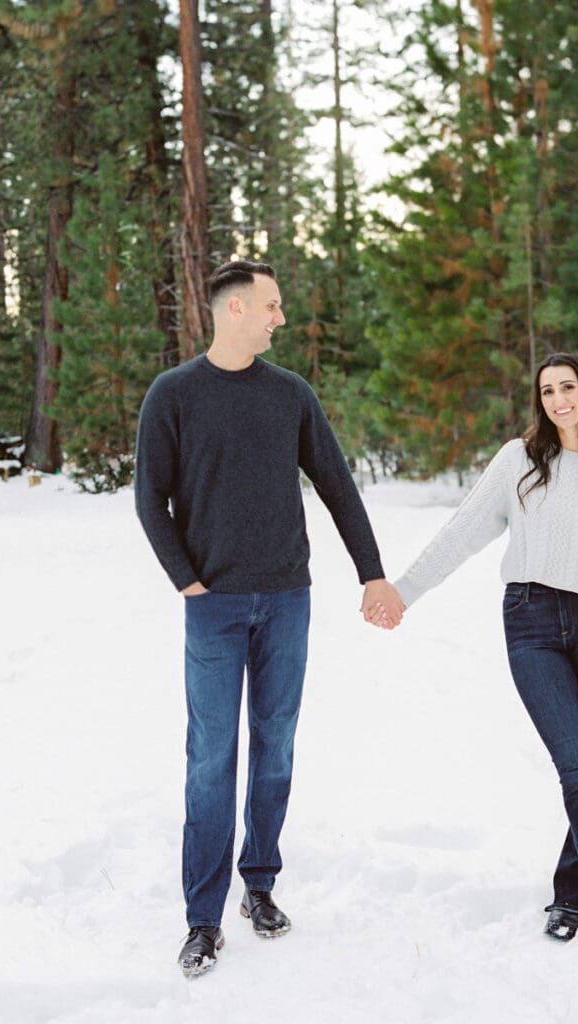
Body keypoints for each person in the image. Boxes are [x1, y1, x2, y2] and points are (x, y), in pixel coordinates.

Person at [135, 260, 405, 977]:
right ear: (233, 311)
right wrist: (187, 581)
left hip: (287, 598)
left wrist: (372, 572)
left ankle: (259, 885)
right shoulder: (174, 394)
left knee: (276, 746)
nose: (280, 317)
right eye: (272, 306)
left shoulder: (290, 395)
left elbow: (338, 486)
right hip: (214, 606)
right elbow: (148, 498)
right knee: (211, 758)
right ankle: (202, 916)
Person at [376, 352, 578, 945]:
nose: (558, 399)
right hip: (531, 623)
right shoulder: (519, 460)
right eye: (547, 390)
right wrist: (405, 590)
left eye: (568, 387)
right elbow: (462, 532)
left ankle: (571, 895)